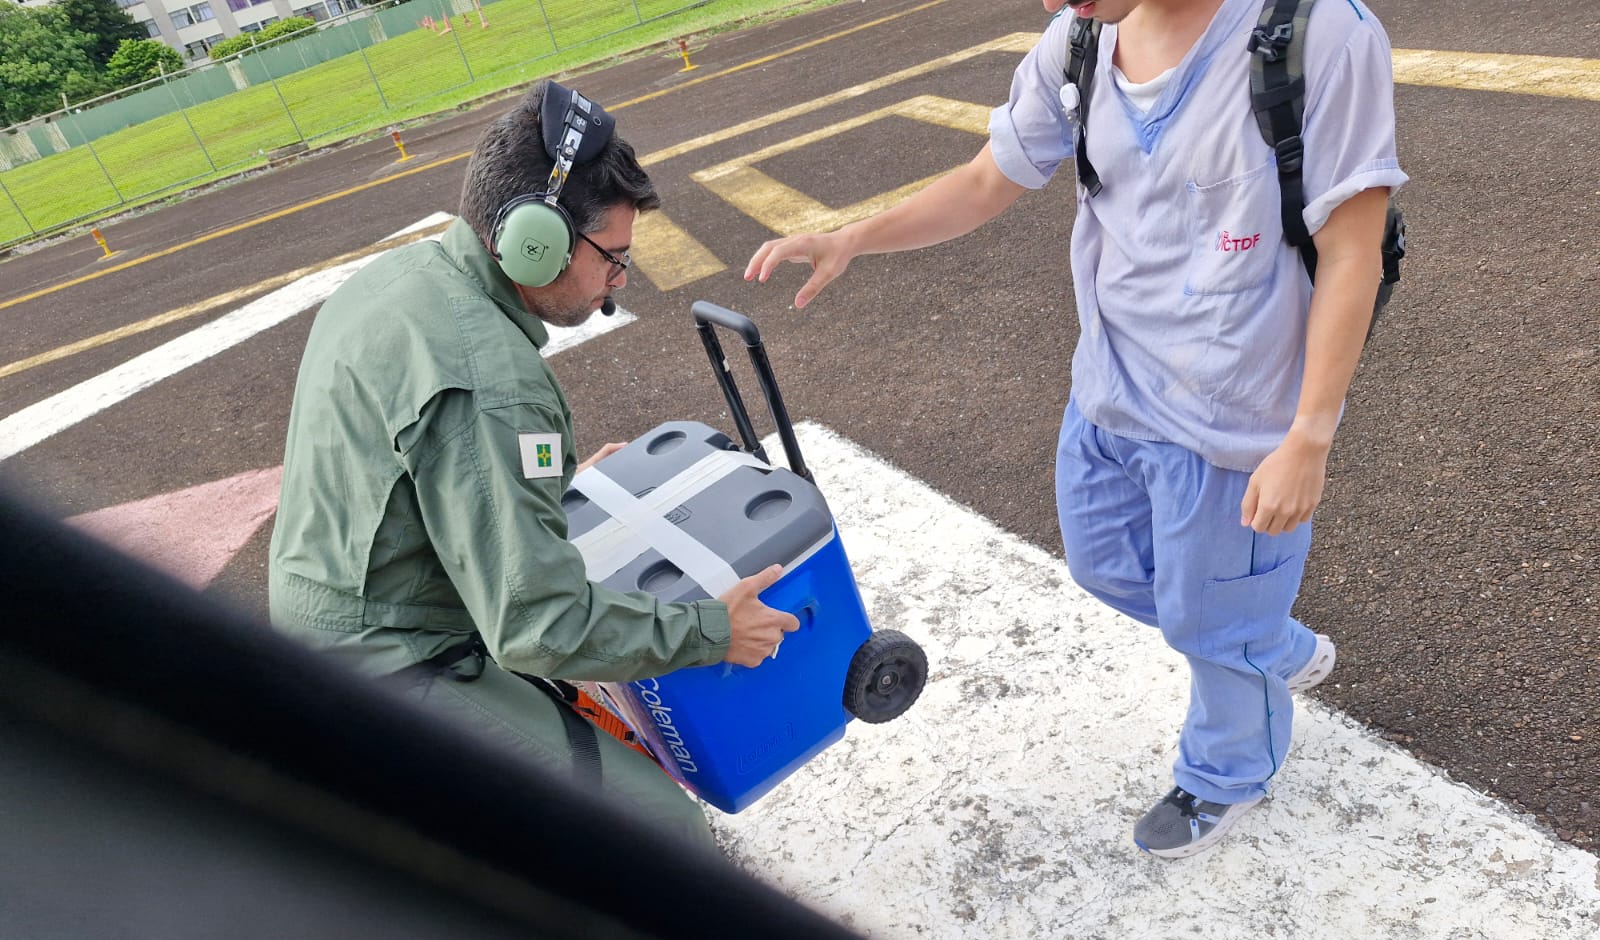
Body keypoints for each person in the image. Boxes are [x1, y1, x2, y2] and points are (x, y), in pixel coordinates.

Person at [746, 0, 1405, 857]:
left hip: (1233, 414)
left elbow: (1353, 246)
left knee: (1208, 628)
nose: (1053, 1)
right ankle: (1264, 636)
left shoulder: (1319, 35)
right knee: (1107, 569)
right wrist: (855, 238)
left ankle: (1228, 769)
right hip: (1111, 390)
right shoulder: (1085, 38)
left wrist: (1309, 437)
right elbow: (992, 178)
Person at [270, 80, 799, 851]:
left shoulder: (403, 279)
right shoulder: (492, 383)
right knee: (662, 830)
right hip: (390, 663)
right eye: (613, 259)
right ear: (534, 243)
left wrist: (548, 483)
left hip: (341, 608)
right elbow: (537, 624)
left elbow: (434, 473)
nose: (619, 281)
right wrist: (716, 631)